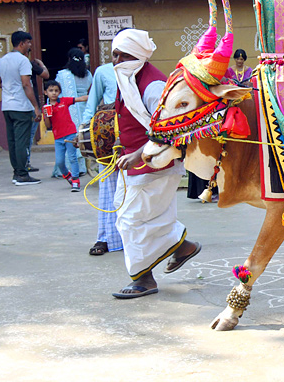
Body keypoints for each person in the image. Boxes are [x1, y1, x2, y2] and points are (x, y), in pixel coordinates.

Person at [109, 29, 201, 298]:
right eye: (115, 54)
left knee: (131, 221)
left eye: (123, 55)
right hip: (136, 162)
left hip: (155, 163)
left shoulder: (153, 85)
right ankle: (183, 247)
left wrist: (138, 154)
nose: (117, 60)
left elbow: (170, 130)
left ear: (137, 56)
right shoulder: (129, 77)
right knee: (146, 217)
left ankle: (143, 279)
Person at [78, 45, 122, 255]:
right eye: (115, 53)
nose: (118, 58)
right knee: (108, 189)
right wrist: (84, 132)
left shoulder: (144, 74)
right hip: (108, 136)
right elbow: (93, 102)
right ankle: (104, 238)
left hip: (136, 134)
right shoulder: (103, 72)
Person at [0, 31, 47, 185]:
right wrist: (36, 106)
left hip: (7, 106)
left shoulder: (2, 60)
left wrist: (10, 85)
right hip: (21, 106)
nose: (30, 45)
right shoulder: (23, 61)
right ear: (22, 43)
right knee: (22, 141)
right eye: (29, 42)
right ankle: (22, 174)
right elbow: (26, 84)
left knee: (13, 141)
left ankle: (16, 172)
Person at [54, 47, 92, 177]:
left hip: (68, 109)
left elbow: (56, 94)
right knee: (81, 136)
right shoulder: (88, 74)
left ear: (69, 59)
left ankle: (66, 170)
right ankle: (81, 168)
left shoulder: (63, 75)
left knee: (68, 137)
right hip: (84, 108)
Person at [41, 80, 81, 191]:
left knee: (73, 157)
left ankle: (76, 180)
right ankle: (67, 175)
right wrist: (46, 116)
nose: (54, 93)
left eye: (56, 91)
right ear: (45, 92)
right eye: (51, 91)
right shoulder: (46, 107)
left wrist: (93, 96)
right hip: (58, 137)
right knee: (59, 161)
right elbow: (48, 125)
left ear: (59, 92)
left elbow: (79, 99)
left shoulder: (64, 101)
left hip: (70, 134)